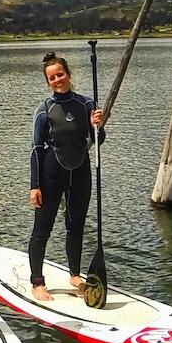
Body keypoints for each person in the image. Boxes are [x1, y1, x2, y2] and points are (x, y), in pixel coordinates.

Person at [26, 51, 106, 300]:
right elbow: (37, 150)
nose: (57, 80)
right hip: (51, 173)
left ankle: (74, 274)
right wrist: (34, 186)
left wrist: (98, 126)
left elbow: (97, 140)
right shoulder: (44, 109)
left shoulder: (87, 104)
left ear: (68, 75)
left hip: (80, 172)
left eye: (60, 74)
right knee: (43, 228)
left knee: (76, 226)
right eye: (52, 78)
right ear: (48, 82)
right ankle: (37, 282)